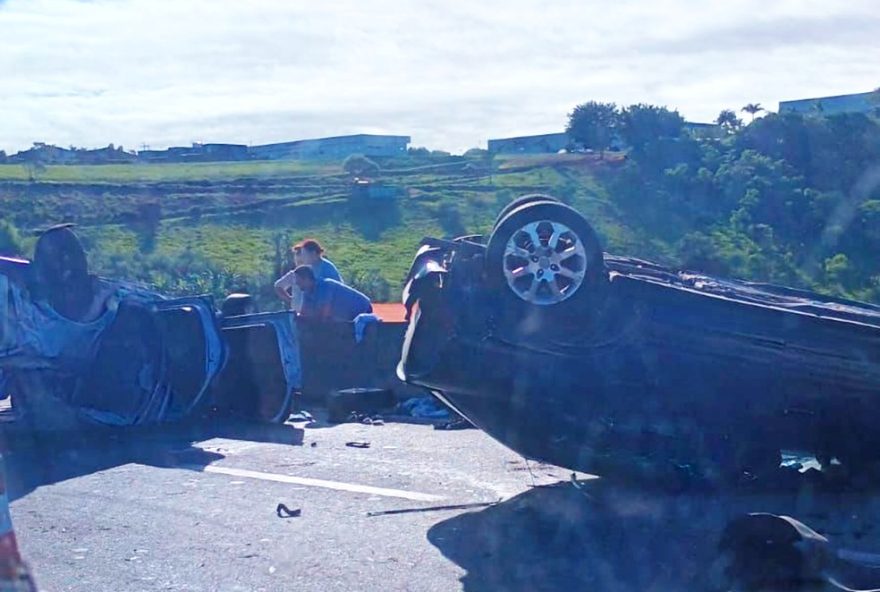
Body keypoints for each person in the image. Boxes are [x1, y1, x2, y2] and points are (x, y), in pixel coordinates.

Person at [292, 265, 372, 322]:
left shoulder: (325, 285)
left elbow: (324, 314)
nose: (296, 283)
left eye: (298, 280)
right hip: (347, 315)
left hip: (362, 309)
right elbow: (303, 314)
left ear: (306, 279)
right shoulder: (306, 290)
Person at [274, 245, 307, 311]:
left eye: (301, 262)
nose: (298, 264)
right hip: (297, 313)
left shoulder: (314, 273)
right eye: (297, 262)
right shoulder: (293, 274)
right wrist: (290, 300)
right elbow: (278, 286)